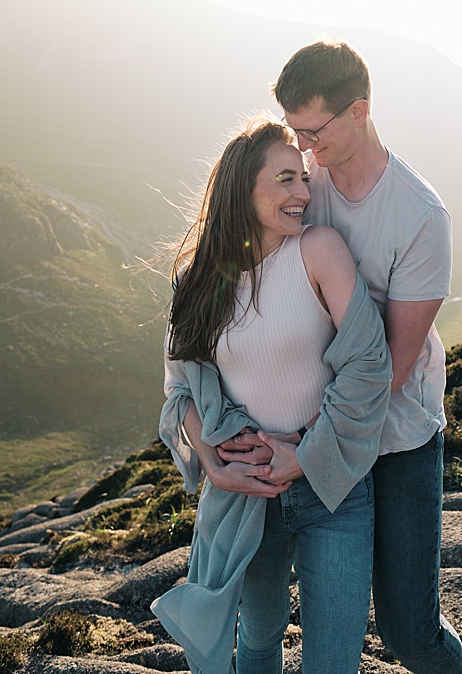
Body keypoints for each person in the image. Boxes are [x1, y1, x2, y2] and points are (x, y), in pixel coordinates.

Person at [220, 41, 462, 674]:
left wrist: (307, 451)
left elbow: (391, 366)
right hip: (302, 436)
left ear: (359, 111)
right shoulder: (307, 187)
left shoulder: (420, 215)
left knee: (408, 630)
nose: (305, 151)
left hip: (394, 441)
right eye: (296, 134)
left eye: (315, 131)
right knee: (276, 625)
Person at [152, 118, 392, 674]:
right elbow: (180, 388)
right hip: (248, 496)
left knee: (332, 663)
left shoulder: (318, 250)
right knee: (257, 647)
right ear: (243, 187)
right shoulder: (194, 279)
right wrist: (210, 459)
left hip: (332, 487)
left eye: (304, 179)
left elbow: (368, 364)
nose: (303, 194)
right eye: (286, 179)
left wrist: (303, 454)